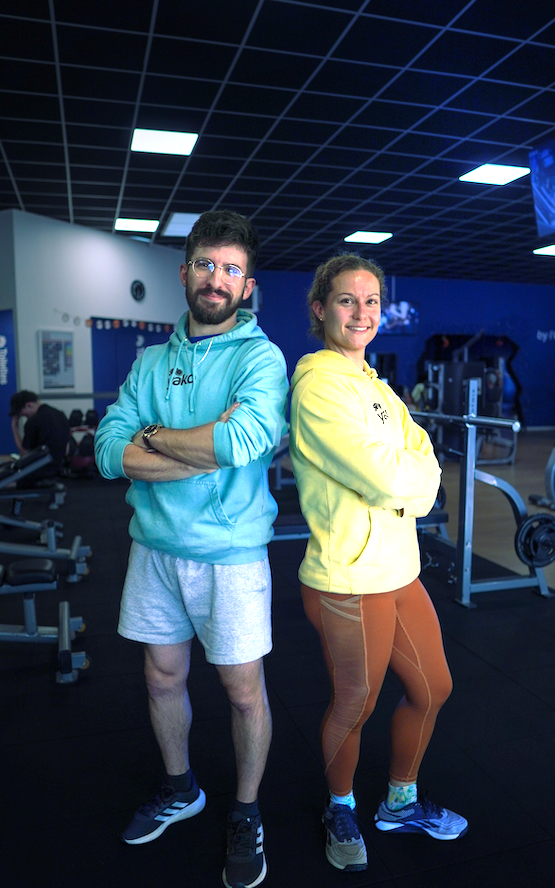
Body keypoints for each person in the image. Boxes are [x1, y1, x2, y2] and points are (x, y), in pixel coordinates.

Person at [94, 210, 288, 888]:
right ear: (184, 273)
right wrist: (191, 448)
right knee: (161, 678)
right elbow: (108, 452)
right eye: (206, 264)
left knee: (242, 693)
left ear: (248, 283)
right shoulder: (149, 362)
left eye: (231, 268)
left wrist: (154, 441)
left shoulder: (260, 358)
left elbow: (240, 444)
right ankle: (181, 789)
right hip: (153, 549)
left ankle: (245, 809)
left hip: (230, 555)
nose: (216, 278)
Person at [289, 254, 467, 873]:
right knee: (355, 703)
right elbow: (391, 473)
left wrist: (411, 483)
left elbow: (422, 455)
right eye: (346, 300)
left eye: (371, 302)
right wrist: (413, 485)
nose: (361, 312)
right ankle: (341, 805)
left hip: (400, 568)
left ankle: (398, 801)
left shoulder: (377, 385)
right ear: (320, 309)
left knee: (433, 688)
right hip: (348, 575)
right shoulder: (318, 384)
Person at [9, 390, 70, 483]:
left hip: (40, 471)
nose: (26, 417)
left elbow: (23, 454)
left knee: (8, 479)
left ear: (29, 405)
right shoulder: (61, 414)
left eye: (24, 415)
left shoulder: (33, 421)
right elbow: (66, 450)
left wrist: (14, 426)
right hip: (58, 468)